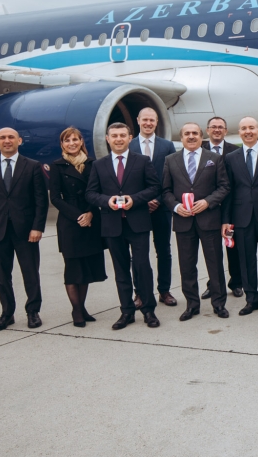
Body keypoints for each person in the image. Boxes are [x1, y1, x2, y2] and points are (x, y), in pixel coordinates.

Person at [86, 122, 162, 329]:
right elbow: (91, 193)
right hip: (112, 225)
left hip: (138, 223)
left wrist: (134, 199)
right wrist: (107, 201)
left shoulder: (142, 161)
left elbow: (154, 187)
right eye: (114, 136)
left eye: (122, 135)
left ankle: (148, 310)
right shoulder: (99, 165)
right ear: (107, 139)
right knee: (121, 270)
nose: (118, 139)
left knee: (142, 267)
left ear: (130, 138)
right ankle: (127, 311)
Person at [0, 127, 48, 331]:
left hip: (26, 230)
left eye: (11, 137)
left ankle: (33, 311)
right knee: (2, 276)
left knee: (30, 273)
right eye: (2, 138)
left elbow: (41, 201)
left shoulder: (32, 166)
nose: (7, 141)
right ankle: (7, 313)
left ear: (19, 141)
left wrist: (37, 227)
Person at [162, 122, 231, 320]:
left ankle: (219, 303)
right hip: (183, 221)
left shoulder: (214, 159)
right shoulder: (170, 160)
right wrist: (176, 207)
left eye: (195, 133)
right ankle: (192, 305)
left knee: (215, 264)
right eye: (187, 133)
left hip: (209, 220)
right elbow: (165, 191)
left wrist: (208, 202)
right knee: (187, 266)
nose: (191, 136)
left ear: (202, 137)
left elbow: (224, 187)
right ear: (181, 137)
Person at [48, 127, 107, 328]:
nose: (72, 143)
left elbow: (98, 191)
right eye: (67, 140)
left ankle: (82, 307)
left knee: (86, 268)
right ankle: (76, 310)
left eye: (75, 139)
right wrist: (78, 216)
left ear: (81, 141)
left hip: (91, 219)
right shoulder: (57, 166)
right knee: (73, 269)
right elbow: (55, 198)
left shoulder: (93, 164)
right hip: (70, 221)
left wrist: (90, 213)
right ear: (62, 144)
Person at [222, 117, 258, 315]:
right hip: (241, 217)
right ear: (239, 132)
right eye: (243, 128)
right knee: (246, 260)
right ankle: (251, 299)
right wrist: (226, 220)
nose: (248, 131)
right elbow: (228, 191)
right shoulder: (231, 158)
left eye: (251, 128)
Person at [129, 107, 178, 307]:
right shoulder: (129, 145)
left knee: (164, 250)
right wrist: (142, 200)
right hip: (137, 207)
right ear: (138, 120)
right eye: (145, 119)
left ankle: (164, 290)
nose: (148, 123)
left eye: (152, 120)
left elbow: (173, 176)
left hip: (162, 206)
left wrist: (157, 199)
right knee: (138, 253)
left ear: (156, 122)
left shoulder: (167, 146)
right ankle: (140, 292)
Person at [202, 116, 243, 299]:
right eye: (213, 127)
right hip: (208, 207)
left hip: (231, 206)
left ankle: (236, 282)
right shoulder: (200, 150)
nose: (217, 130)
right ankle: (213, 284)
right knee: (211, 250)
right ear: (207, 130)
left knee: (233, 247)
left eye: (220, 127)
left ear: (226, 131)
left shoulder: (235, 151)